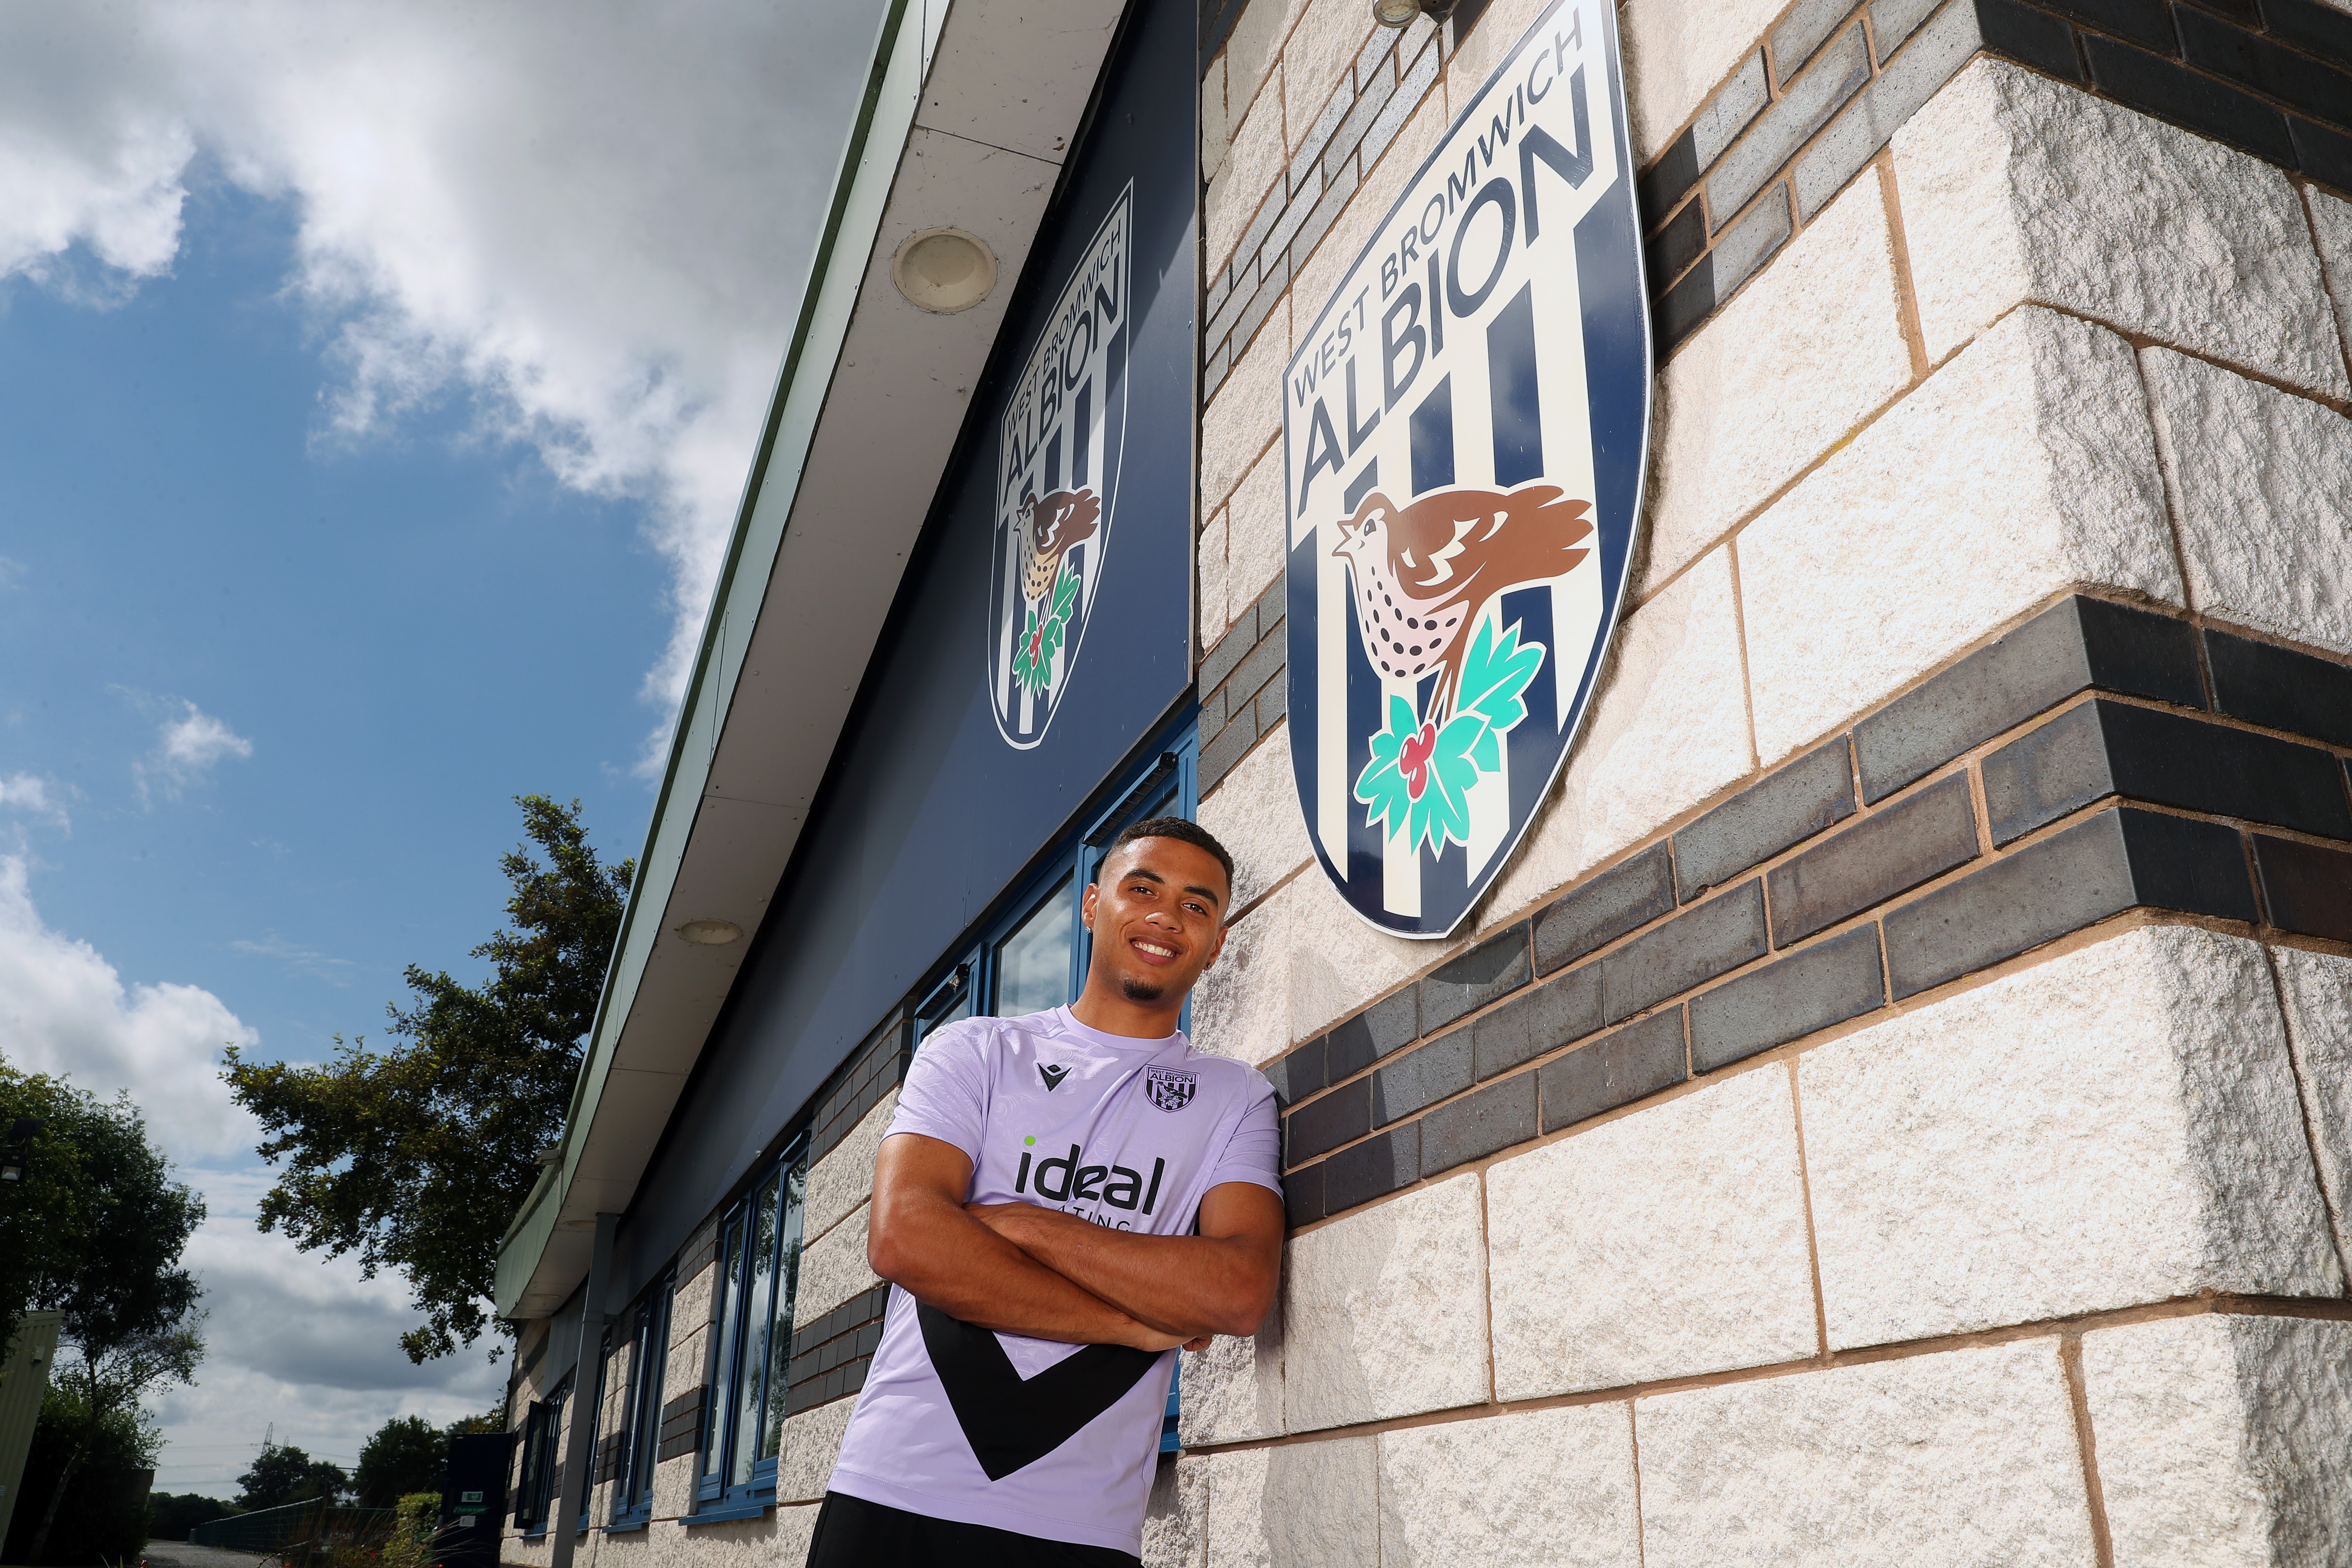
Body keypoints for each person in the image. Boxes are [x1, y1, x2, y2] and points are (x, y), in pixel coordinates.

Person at [807, 817, 1284, 1567]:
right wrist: (1132, 1323)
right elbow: (904, 1236)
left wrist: (1024, 1225)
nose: (1166, 915)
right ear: (1093, 906)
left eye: (1198, 906)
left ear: (1217, 943)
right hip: (897, 1492)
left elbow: (1237, 1293)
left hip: (1079, 1528)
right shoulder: (975, 1051)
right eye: (1143, 889)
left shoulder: (1235, 1098)